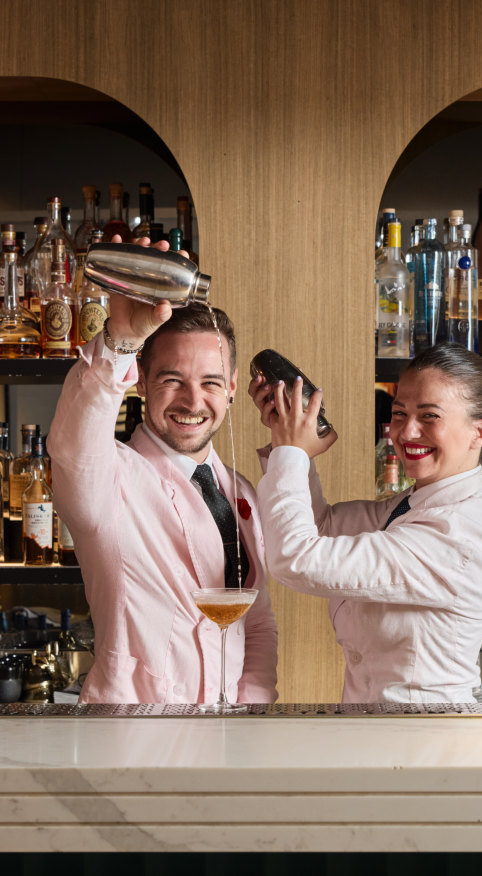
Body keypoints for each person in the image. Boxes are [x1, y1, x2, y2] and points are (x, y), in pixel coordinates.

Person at [48, 238, 278, 704]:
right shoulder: (111, 479)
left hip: (227, 748)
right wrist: (122, 339)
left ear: (232, 387)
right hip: (132, 745)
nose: (194, 402)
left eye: (210, 382)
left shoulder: (242, 493)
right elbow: (72, 449)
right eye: (172, 380)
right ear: (141, 384)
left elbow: (256, 624)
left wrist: (253, 717)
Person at [249, 342, 482, 703]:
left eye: (429, 416)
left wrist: (292, 451)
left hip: (425, 745)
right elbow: (320, 528)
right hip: (383, 740)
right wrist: (284, 435)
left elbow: (296, 559)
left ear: (479, 432)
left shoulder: (456, 532)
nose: (407, 432)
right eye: (399, 414)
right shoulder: (411, 508)